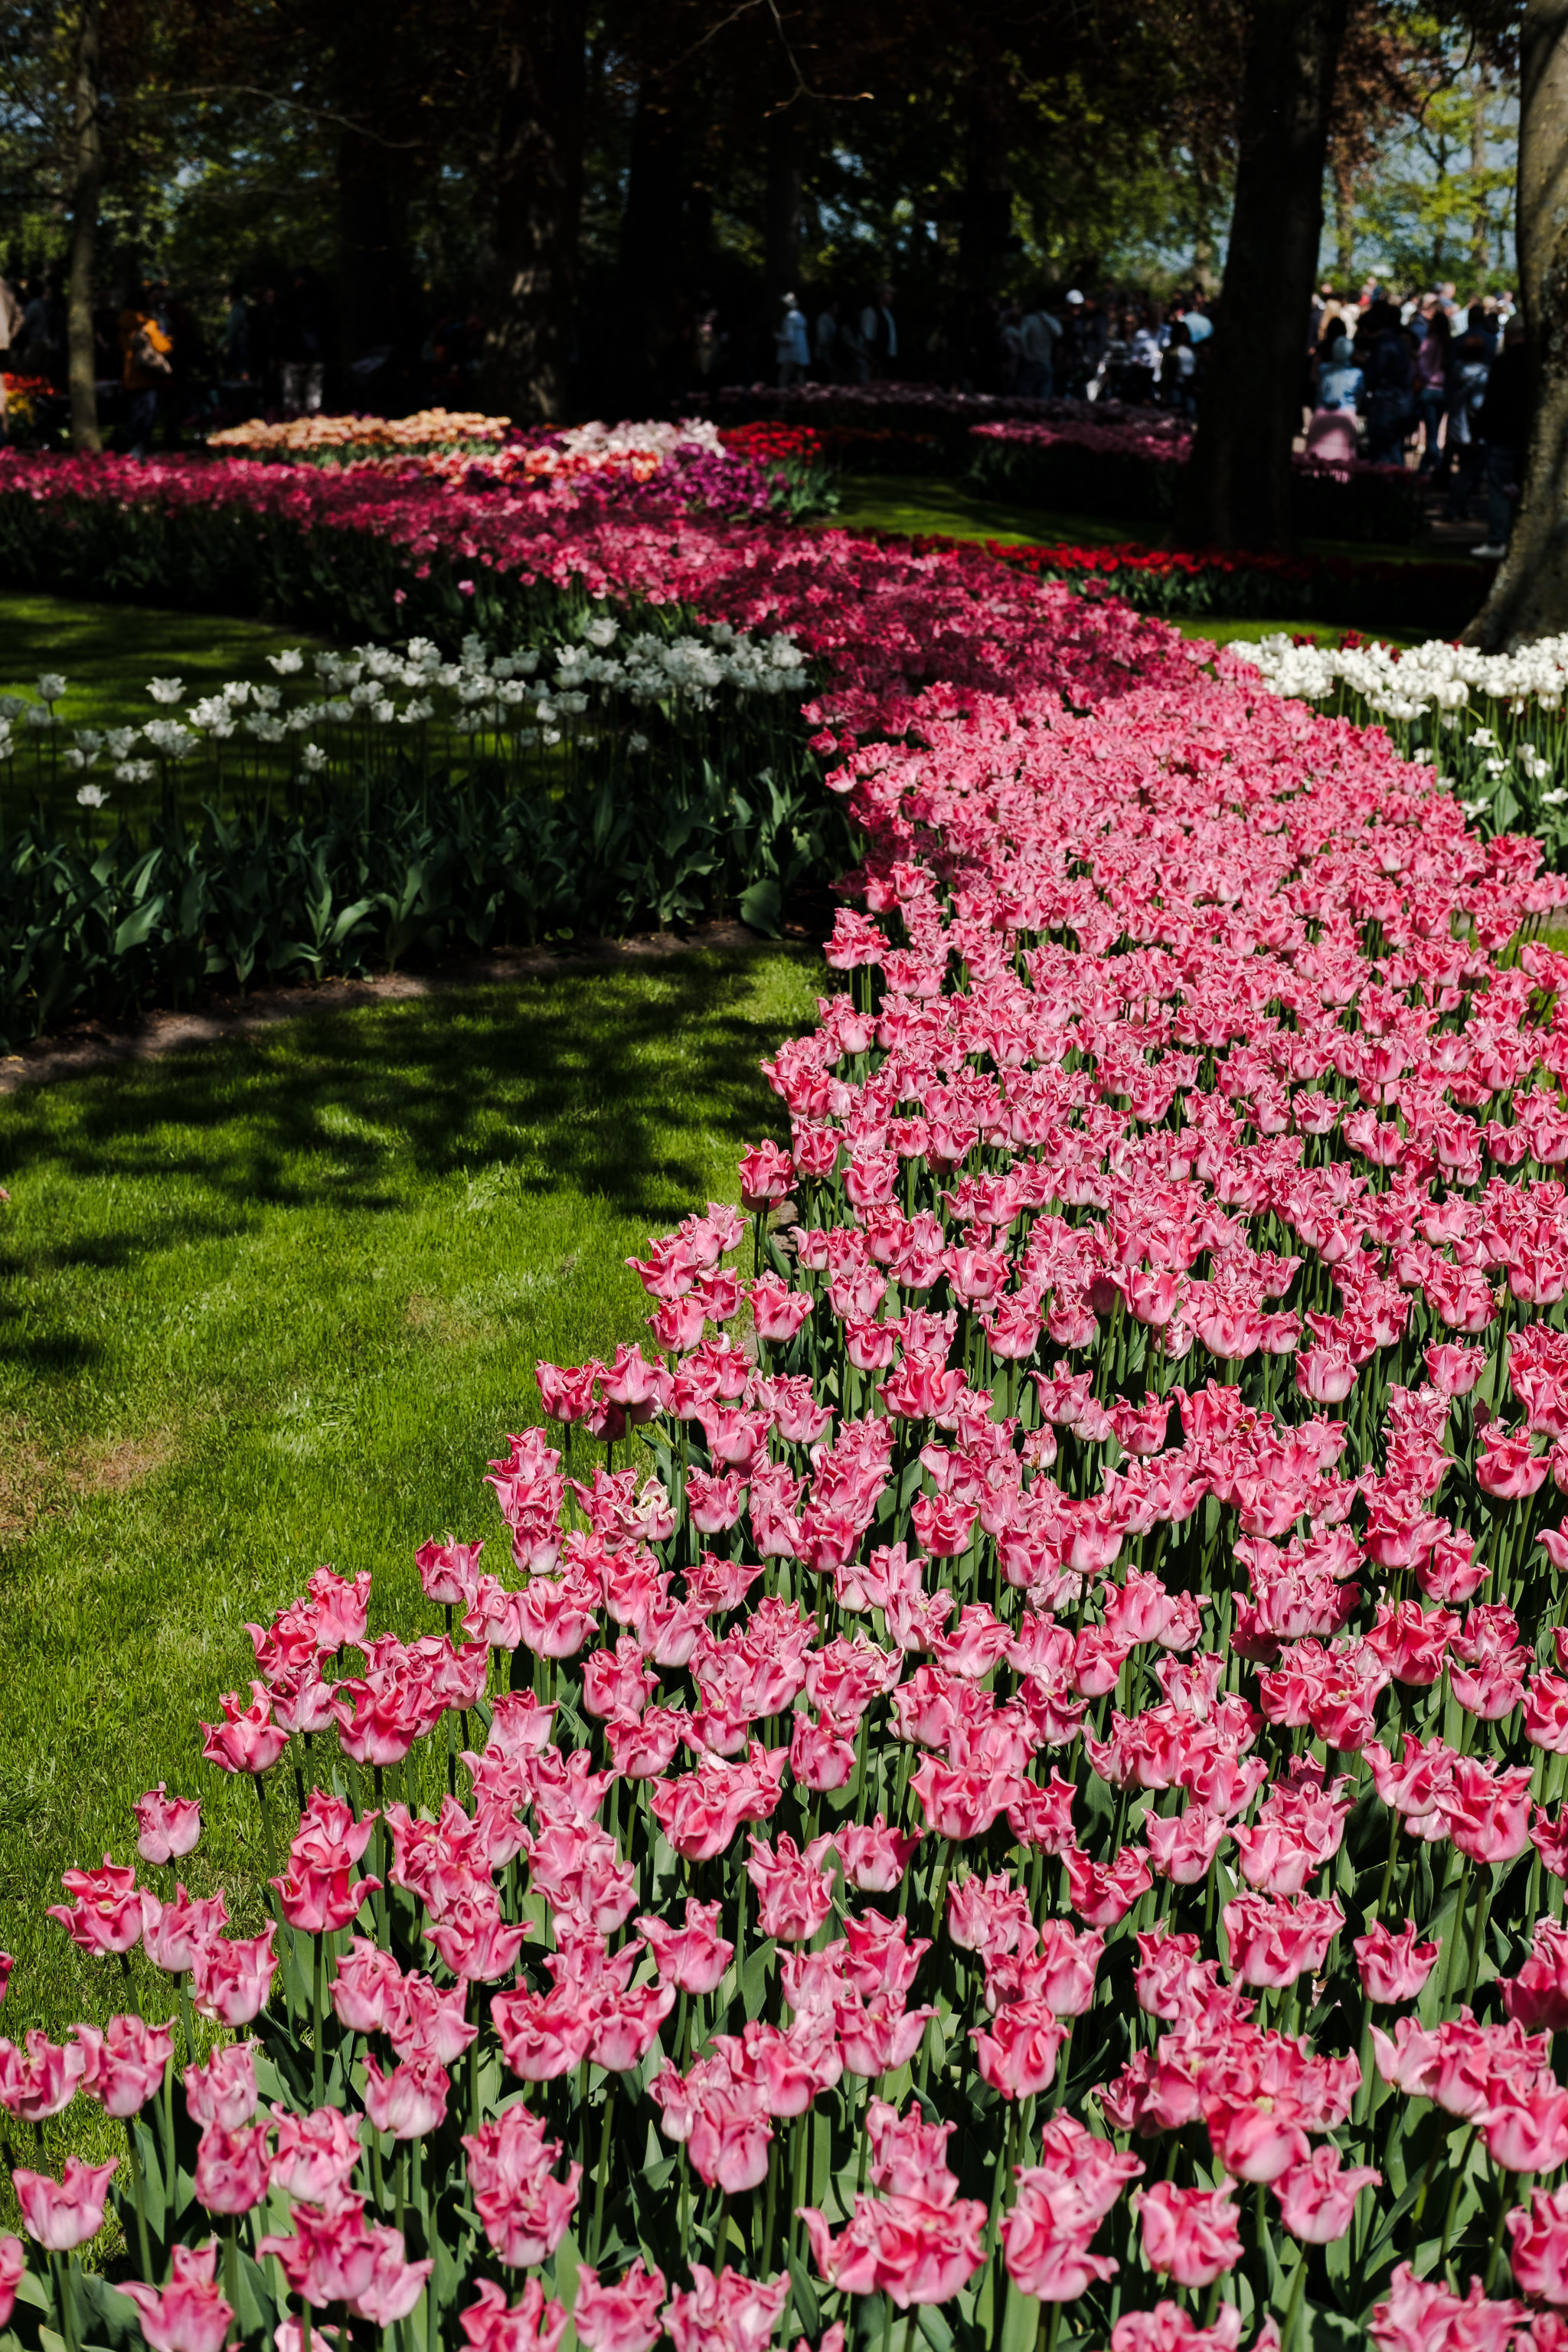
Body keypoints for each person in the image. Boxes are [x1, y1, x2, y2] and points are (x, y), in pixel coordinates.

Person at [1472, 315, 1528, 560]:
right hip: (1524, 435)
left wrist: (1479, 431)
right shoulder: (1538, 362)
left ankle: (1499, 540)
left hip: (1503, 435)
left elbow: (1492, 401)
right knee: (1518, 488)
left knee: (1500, 489)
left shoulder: (1504, 362)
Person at [1443, 308, 1493, 520]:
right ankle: (1455, 508)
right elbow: (1477, 406)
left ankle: (1457, 507)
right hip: (1471, 430)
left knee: (1461, 468)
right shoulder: (1482, 376)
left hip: (1456, 424)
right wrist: (1477, 432)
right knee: (1468, 472)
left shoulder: (1456, 370)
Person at [119, 283, 172, 457]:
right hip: (148, 376)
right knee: (148, 415)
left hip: (130, 375)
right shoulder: (148, 324)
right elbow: (163, 347)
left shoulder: (123, 323)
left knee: (134, 414)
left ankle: (132, 447)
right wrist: (169, 339)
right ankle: (140, 448)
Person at [1361, 299, 1415, 466]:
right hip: (1400, 403)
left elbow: (1373, 376)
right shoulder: (1397, 343)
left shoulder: (1384, 345)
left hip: (1387, 405)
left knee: (1384, 452)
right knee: (1394, 449)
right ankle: (1398, 486)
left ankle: (1389, 487)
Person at [1304, 334, 1364, 463]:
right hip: (1345, 420)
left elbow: (1318, 390)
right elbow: (1359, 396)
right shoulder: (1356, 374)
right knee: (1341, 467)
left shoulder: (1323, 369)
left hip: (1320, 419)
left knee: (1315, 465)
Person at [1413, 306, 1450, 472]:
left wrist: (1427, 378)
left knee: (1432, 435)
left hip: (1430, 391)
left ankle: (1432, 467)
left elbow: (1421, 365)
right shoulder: (1448, 344)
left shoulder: (1430, 342)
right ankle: (1427, 468)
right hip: (1442, 391)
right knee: (1433, 434)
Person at [1018, 294, 1060, 398]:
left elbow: (1021, 338)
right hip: (1044, 363)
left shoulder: (1029, 319)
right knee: (1043, 399)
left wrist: (1027, 355)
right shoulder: (1051, 320)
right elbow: (1059, 333)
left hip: (1034, 363)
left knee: (1025, 396)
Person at [0, 271, 22, 443]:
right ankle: (3, 438)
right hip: (3, 345)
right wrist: (7, 336)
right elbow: (19, 317)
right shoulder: (4, 284)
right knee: (0, 393)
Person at [860, 281, 897, 379]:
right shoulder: (871, 311)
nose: (891, 296)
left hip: (887, 355)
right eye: (889, 293)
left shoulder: (886, 312)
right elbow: (867, 335)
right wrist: (871, 356)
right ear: (882, 294)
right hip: (875, 357)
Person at [773, 290, 809, 387]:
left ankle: (784, 401)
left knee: (783, 380)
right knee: (800, 379)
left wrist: (776, 335)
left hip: (790, 354)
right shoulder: (799, 316)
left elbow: (789, 338)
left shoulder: (790, 318)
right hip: (800, 354)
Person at [223, 285, 251, 381]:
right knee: (242, 368)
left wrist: (224, 343)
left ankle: (240, 392)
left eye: (228, 294)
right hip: (242, 343)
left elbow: (232, 329)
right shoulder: (242, 307)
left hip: (239, 344)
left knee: (239, 369)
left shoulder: (237, 310)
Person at [814, 296, 842, 382]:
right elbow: (823, 337)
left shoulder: (832, 319)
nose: (838, 309)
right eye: (836, 306)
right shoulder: (824, 318)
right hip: (824, 353)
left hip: (830, 353)